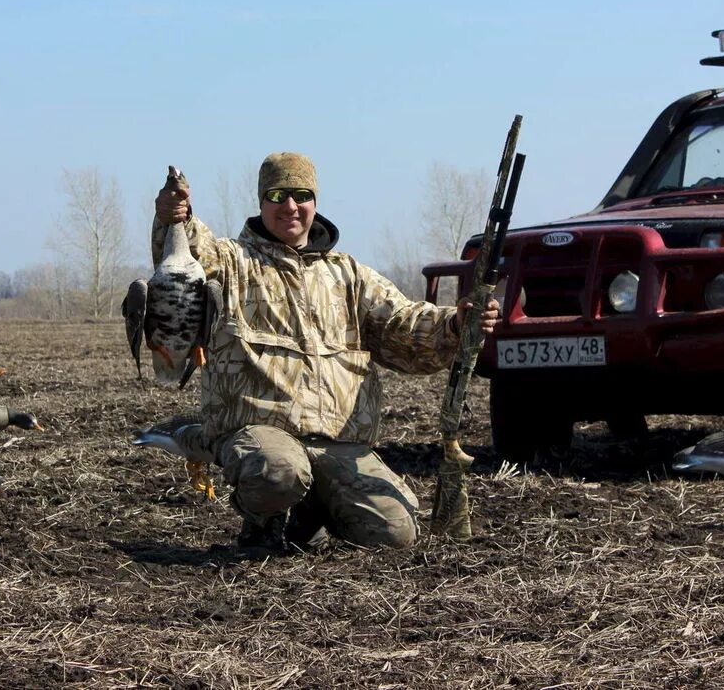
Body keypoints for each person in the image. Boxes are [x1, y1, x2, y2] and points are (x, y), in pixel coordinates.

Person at [153, 152, 500, 552]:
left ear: (315, 201)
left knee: (394, 534)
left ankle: (309, 513)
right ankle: (261, 523)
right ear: (262, 201)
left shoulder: (348, 274)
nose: (289, 206)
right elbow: (187, 258)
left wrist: (455, 323)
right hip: (262, 434)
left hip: (336, 443)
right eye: (277, 195)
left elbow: (402, 324)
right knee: (276, 471)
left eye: (300, 194)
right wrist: (175, 216)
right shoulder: (233, 263)